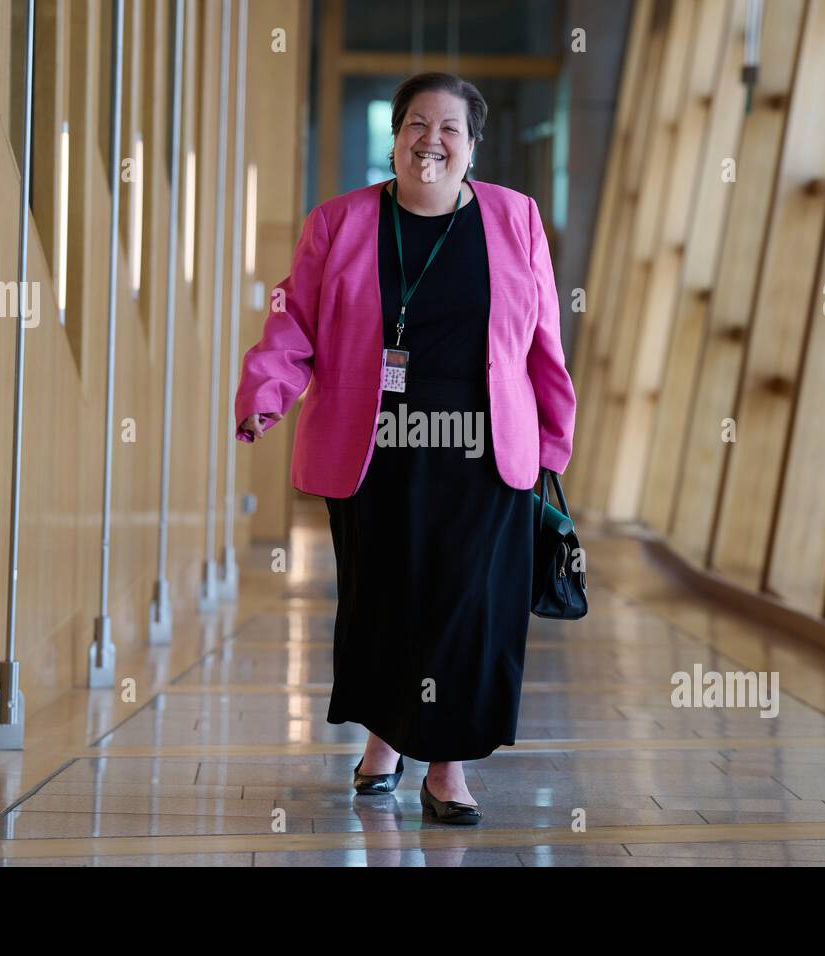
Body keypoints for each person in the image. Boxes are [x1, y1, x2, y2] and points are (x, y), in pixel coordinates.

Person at [234, 72, 576, 825]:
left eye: (450, 127)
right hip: (376, 447)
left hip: (485, 453)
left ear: (473, 145)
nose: (432, 141)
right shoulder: (339, 222)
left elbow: (543, 338)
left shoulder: (515, 219)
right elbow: (295, 321)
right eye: (417, 124)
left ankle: (446, 770)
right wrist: (265, 393)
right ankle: (385, 740)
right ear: (394, 138)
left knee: (466, 607)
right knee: (384, 599)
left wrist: (555, 436)